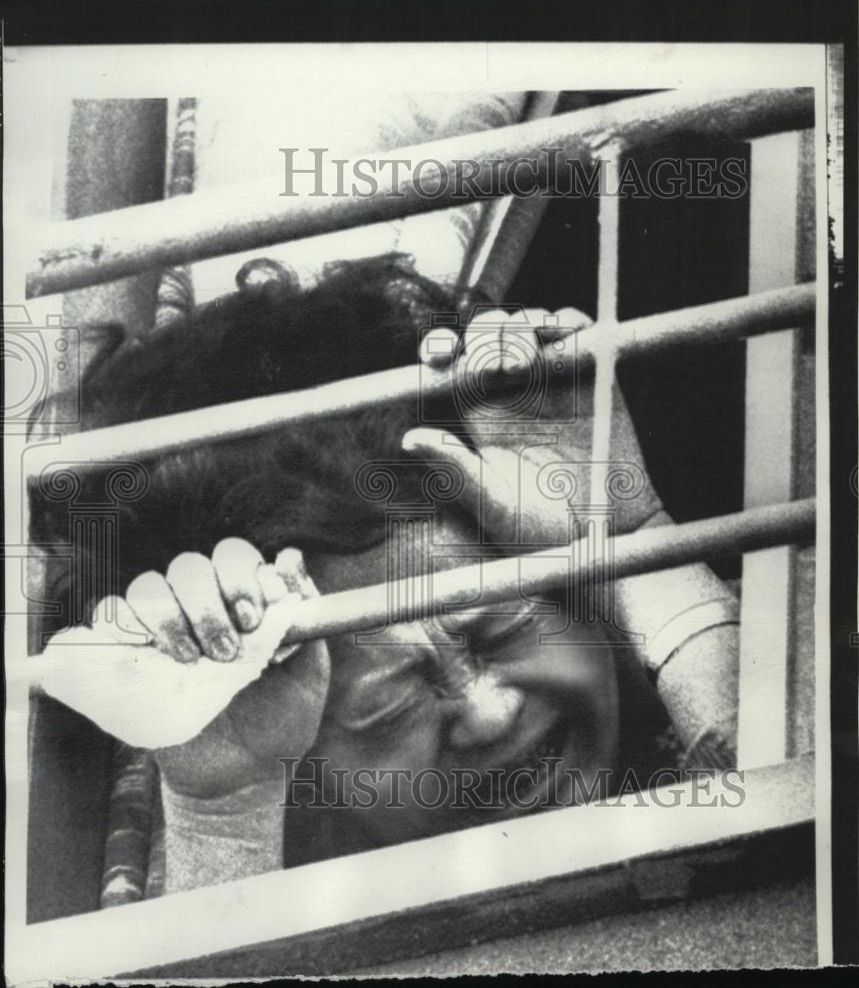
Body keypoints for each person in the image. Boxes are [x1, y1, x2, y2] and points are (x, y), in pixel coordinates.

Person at [32, 254, 740, 894]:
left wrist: (627, 545)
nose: (491, 716)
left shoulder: (697, 661)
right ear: (307, 781)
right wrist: (225, 813)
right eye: (386, 710)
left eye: (501, 628)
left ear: (578, 594)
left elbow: (815, 807)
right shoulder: (289, 850)